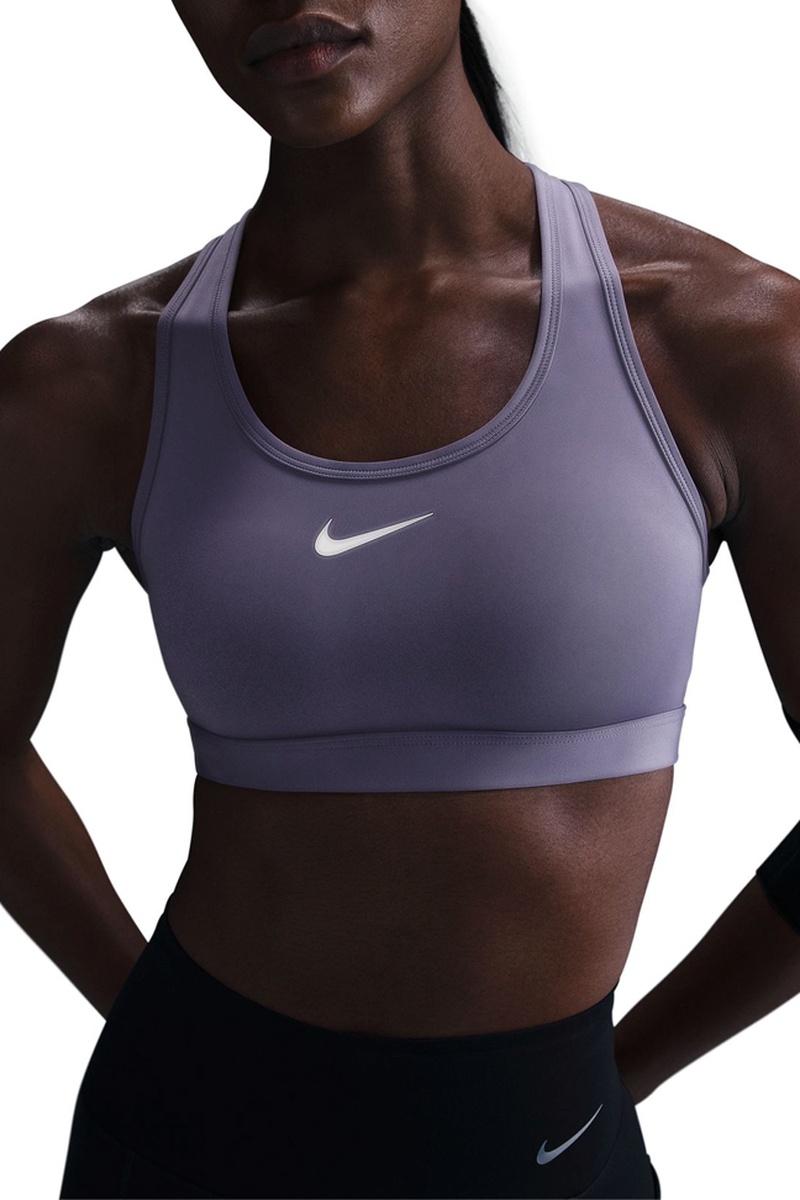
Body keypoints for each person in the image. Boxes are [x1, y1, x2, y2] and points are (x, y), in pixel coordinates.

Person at [1, 1, 799, 1197]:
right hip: (182, 1143)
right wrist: (153, 1030)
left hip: (553, 1149)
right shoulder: (91, 378)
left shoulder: (723, 340)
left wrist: (609, 1081)